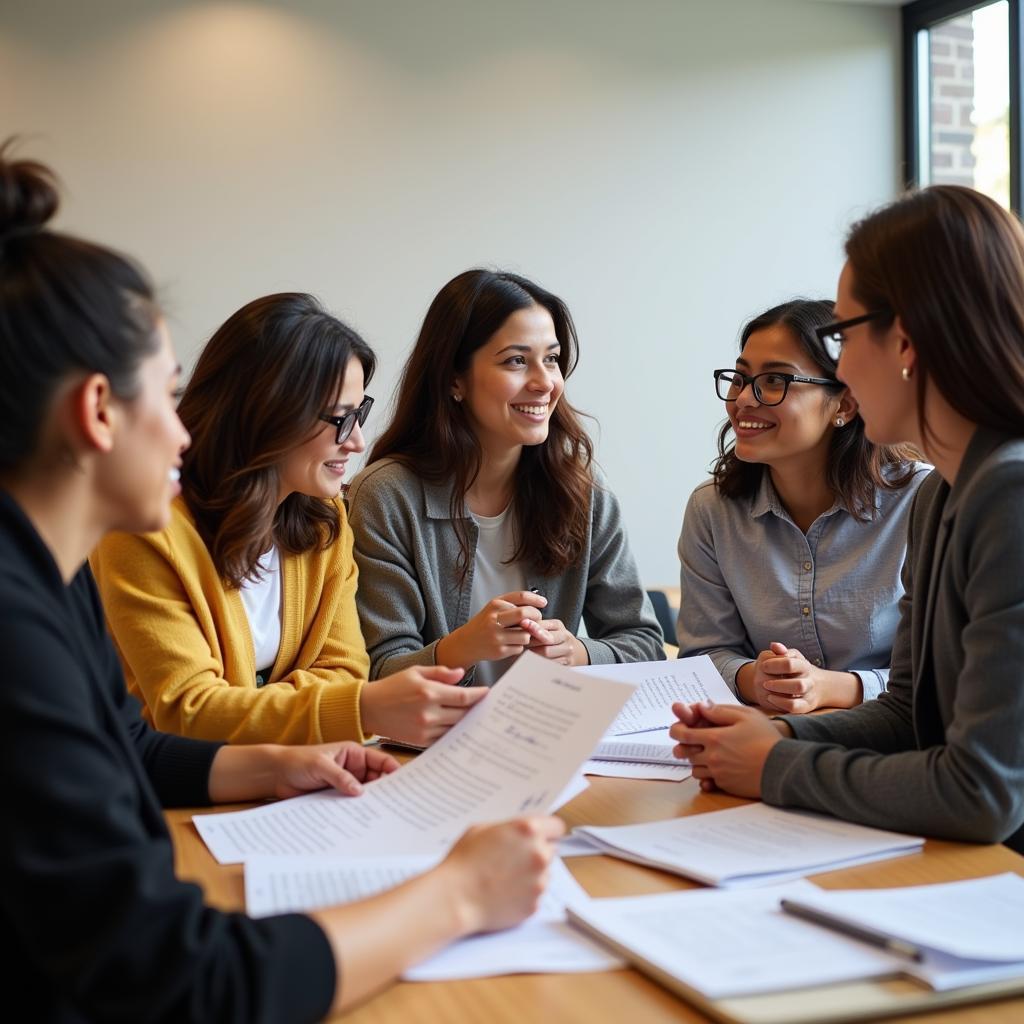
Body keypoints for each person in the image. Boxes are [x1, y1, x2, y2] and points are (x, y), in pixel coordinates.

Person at [0, 144, 564, 1022]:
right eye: (168, 393)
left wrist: (282, 760)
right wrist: (457, 895)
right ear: (98, 411)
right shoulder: (22, 618)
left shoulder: (48, 578)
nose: (182, 434)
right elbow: (179, 978)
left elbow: (139, 750)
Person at [672, 185, 1024, 853]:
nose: (839, 365)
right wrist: (776, 735)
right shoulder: (948, 494)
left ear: (908, 340)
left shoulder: (1009, 492)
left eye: (842, 332)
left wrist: (776, 766)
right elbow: (907, 715)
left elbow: (983, 794)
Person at [91, 292, 488, 747]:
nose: (358, 441)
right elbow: (187, 713)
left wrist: (253, 707)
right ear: (268, 413)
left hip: (288, 780)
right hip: (173, 796)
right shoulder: (143, 530)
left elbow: (348, 669)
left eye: (360, 414)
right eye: (341, 419)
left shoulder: (324, 520)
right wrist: (353, 707)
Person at [346, 269, 663, 685]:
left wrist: (581, 651)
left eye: (551, 359)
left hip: (545, 734)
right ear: (454, 379)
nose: (546, 382)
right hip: (429, 742)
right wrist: (461, 647)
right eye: (516, 360)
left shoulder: (582, 497)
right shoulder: (387, 496)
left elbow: (645, 642)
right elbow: (379, 672)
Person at [677, 299, 925, 712]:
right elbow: (704, 654)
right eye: (740, 378)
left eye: (775, 380)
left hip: (897, 741)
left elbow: (938, 671)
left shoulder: (921, 499)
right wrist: (752, 678)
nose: (743, 400)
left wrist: (833, 688)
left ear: (844, 405)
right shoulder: (712, 509)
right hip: (770, 733)